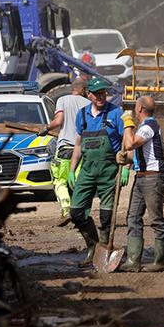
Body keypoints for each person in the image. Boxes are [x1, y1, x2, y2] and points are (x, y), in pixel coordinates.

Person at [68, 77, 126, 266]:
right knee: (76, 212)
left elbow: (127, 142)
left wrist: (126, 167)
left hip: (109, 171)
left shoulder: (116, 113)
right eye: (97, 93)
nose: (102, 96)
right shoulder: (82, 115)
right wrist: (71, 169)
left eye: (104, 93)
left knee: (106, 216)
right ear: (89, 94)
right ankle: (92, 246)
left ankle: (105, 250)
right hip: (87, 171)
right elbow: (78, 145)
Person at [119, 96, 164, 272]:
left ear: (139, 108)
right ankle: (133, 260)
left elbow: (131, 143)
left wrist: (127, 123)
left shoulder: (149, 126)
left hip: (152, 178)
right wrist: (125, 159)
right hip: (142, 177)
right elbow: (133, 150)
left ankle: (159, 262)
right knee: (132, 218)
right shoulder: (145, 127)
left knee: (156, 219)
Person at [48, 78, 91, 226]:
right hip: (82, 150)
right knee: (78, 182)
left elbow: (58, 121)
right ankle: (81, 214)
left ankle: (66, 210)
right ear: (84, 90)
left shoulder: (62, 100)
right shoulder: (88, 104)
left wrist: (45, 129)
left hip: (65, 148)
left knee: (60, 180)